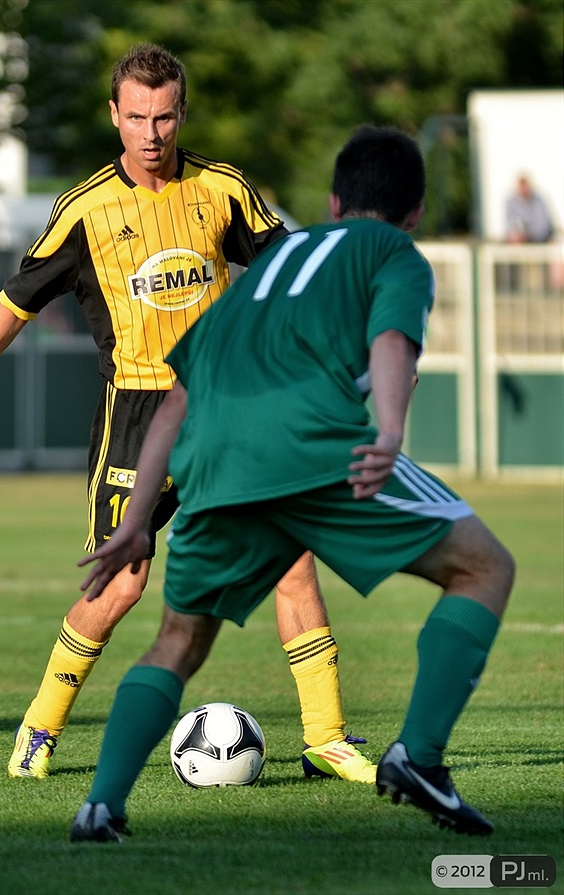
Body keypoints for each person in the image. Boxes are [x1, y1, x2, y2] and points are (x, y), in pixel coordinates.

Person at [0, 43, 374, 785]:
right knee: (121, 583)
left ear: (181, 113)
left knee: (290, 560)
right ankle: (39, 729)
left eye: (164, 116)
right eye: (136, 116)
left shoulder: (223, 188)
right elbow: (20, 296)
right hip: (136, 413)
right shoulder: (85, 208)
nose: (151, 132)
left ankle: (326, 738)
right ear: (115, 116)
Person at [70, 125, 515, 843]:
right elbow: (393, 339)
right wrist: (391, 432)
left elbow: (178, 399)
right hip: (312, 447)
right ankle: (418, 757)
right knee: (486, 566)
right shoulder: (394, 251)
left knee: (178, 640)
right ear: (416, 214)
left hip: (214, 462)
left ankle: (100, 806)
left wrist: (137, 518)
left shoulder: (276, 260)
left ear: (334, 200)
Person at [505, 174, 554, 244]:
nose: (523, 189)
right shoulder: (511, 202)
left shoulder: (539, 200)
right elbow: (509, 224)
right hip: (519, 242)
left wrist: (528, 236)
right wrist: (516, 235)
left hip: (539, 240)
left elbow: (544, 226)